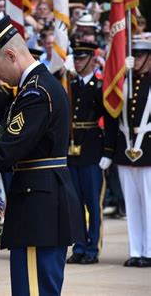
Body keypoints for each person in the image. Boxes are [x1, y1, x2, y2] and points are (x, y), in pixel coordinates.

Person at [0, 16, 84, 295]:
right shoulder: (28, 89)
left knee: (34, 290)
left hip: (40, 208)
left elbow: (5, 152)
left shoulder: (35, 92)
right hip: (37, 203)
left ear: (11, 55)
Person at [104, 40, 151, 268]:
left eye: (142, 55)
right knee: (132, 204)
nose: (138, 59)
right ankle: (136, 250)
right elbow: (113, 117)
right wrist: (108, 150)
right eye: (135, 55)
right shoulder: (124, 82)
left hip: (149, 150)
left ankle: (150, 251)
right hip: (125, 149)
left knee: (149, 204)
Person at [65, 41, 113, 265]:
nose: (78, 61)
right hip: (73, 152)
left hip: (93, 150)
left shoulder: (99, 86)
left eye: (82, 58)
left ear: (93, 60)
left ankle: (93, 248)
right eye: (76, 57)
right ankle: (79, 246)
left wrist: (108, 151)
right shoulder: (71, 85)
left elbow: (111, 120)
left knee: (93, 203)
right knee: (75, 203)